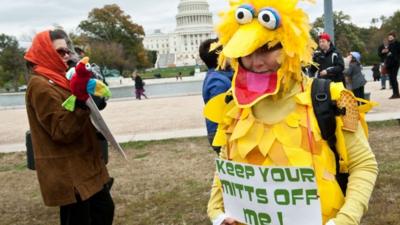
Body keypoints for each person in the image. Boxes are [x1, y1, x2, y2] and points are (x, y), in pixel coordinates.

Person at [205, 1, 378, 225]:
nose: (256, 62)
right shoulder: (232, 103)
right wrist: (217, 213)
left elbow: (363, 164)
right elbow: (225, 165)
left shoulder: (333, 97)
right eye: (246, 51)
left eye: (267, 49)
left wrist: (345, 220)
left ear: (290, 46)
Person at [24, 29, 114, 225]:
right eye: (60, 52)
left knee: (103, 211)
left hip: (84, 162)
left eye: (67, 51)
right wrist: (82, 104)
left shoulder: (60, 78)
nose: (67, 55)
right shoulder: (40, 85)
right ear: (45, 52)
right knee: (81, 218)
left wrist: (92, 103)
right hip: (69, 169)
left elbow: (73, 107)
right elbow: (61, 130)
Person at [199, 38, 233, 155]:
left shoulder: (220, 76)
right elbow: (223, 112)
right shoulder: (218, 81)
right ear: (221, 57)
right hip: (221, 133)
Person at [383, 31, 400, 99]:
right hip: (389, 64)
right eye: (389, 37)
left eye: (391, 37)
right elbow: (383, 54)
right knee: (391, 79)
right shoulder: (388, 45)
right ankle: (395, 93)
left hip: (395, 63)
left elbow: (397, 53)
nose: (390, 38)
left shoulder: (397, 43)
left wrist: (391, 53)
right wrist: (384, 52)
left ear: (394, 37)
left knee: (393, 78)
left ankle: (396, 94)